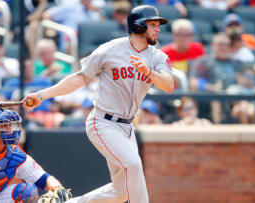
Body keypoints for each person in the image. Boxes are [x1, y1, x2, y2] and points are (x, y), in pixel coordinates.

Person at [22, 5, 174, 203]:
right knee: (134, 166)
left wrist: (149, 72)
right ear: (137, 26)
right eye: (152, 24)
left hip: (127, 127)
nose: (157, 28)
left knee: (121, 192)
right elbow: (79, 78)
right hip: (103, 123)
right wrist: (43, 95)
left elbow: (169, 85)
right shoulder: (111, 49)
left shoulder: (157, 57)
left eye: (158, 24)